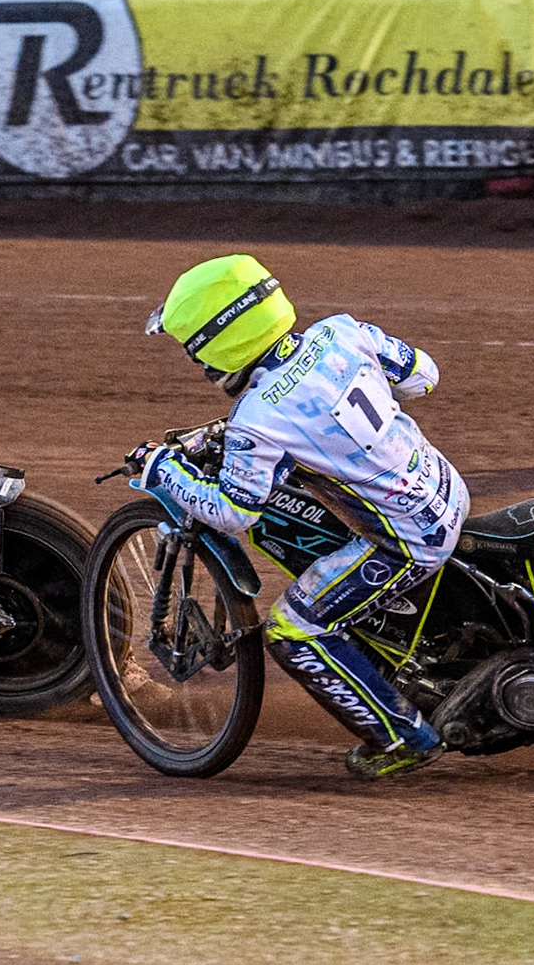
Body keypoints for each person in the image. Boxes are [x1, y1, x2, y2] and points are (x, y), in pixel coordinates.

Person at [135, 254, 467, 780]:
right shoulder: (342, 331)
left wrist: (162, 469)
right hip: (448, 489)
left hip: (407, 539)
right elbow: (422, 378)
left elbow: (233, 513)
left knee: (294, 626)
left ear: (217, 345)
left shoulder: (258, 419)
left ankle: (404, 736)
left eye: (193, 348)